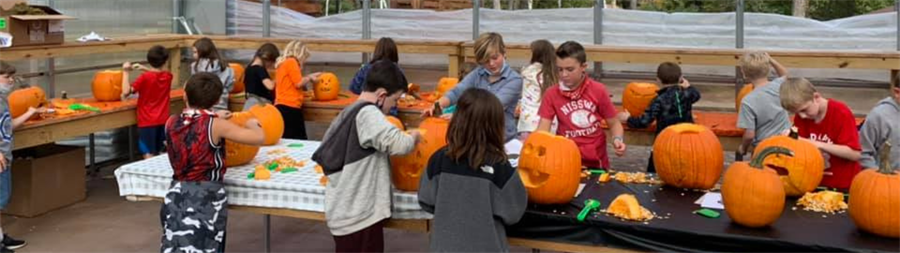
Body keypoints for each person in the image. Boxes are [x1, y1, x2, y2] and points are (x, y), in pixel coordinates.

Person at [311, 60, 421, 253]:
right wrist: (414, 136)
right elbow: (399, 144)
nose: (393, 107)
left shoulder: (349, 111)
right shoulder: (369, 114)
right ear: (381, 95)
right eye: (394, 101)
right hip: (359, 216)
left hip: (346, 212)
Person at [160, 73, 265, 253]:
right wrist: (253, 123)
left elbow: (193, 122)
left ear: (184, 95)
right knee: (208, 246)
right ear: (217, 99)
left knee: (175, 245)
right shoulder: (215, 125)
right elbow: (258, 138)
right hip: (206, 197)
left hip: (176, 193)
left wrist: (215, 115)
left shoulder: (170, 122)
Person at [418, 88, 527, 253]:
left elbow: (426, 199)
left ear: (457, 120)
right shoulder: (500, 167)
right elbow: (513, 212)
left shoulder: (438, 160)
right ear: (495, 126)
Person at [536, 41, 626, 169]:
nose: (564, 75)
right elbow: (543, 128)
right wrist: (537, 148)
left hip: (595, 159)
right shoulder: (551, 94)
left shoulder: (598, 90)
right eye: (559, 69)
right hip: (565, 157)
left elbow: (614, 123)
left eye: (570, 69)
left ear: (583, 67)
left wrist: (618, 139)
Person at [423, 32, 523, 141]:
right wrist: (438, 104)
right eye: (486, 60)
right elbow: (458, 91)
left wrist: (461, 116)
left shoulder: (514, 80)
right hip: (476, 137)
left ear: (504, 52)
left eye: (495, 58)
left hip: (501, 139)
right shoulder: (478, 73)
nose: (491, 64)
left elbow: (494, 107)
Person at [780, 77, 861, 191]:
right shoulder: (802, 117)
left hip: (842, 185)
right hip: (814, 183)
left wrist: (816, 144)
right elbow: (800, 149)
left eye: (804, 110)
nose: (802, 116)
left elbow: (854, 154)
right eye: (796, 112)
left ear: (816, 97)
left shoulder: (841, 113)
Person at [617, 62, 700, 173]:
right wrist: (688, 86)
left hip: (666, 142)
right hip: (686, 141)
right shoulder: (687, 94)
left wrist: (628, 119)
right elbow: (696, 95)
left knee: (655, 170)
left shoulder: (659, 100)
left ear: (658, 80)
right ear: (681, 78)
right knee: (682, 170)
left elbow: (644, 121)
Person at [0, 61, 36, 252]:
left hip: (5, 155)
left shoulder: (3, 99)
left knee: (2, 199)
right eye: (7, 77)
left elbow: (8, 125)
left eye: (12, 77)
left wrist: (29, 113)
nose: (11, 81)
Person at [121, 45, 174, 159]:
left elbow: (126, 92)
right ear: (165, 61)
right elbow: (157, 74)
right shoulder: (168, 76)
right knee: (162, 152)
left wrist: (125, 72)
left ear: (149, 60)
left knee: (148, 152)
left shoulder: (144, 78)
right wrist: (144, 68)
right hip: (163, 120)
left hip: (147, 121)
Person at [736, 52, 790, 157]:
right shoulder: (778, 86)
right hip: (786, 141)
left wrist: (743, 148)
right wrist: (770, 59)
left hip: (764, 148)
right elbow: (785, 74)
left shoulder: (747, 101)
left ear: (744, 74)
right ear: (768, 70)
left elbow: (749, 135)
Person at [275, 40, 321, 140]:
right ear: (300, 54)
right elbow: (298, 83)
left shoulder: (284, 63)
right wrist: (309, 78)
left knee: (286, 139)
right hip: (290, 107)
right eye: (304, 58)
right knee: (299, 140)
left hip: (282, 106)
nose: (304, 61)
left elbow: (292, 84)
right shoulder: (292, 61)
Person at [516, 39, 559, 140]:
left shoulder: (528, 72)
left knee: (528, 151)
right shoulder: (554, 75)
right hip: (550, 123)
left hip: (528, 123)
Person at [858, 71, 900, 169]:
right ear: (897, 93)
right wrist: (880, 176)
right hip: (887, 180)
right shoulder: (879, 117)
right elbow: (863, 153)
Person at [191, 37, 235, 114]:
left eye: (195, 52)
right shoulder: (225, 66)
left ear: (203, 51)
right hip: (221, 102)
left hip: (202, 103)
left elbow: (194, 84)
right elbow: (230, 86)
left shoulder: (196, 66)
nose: (193, 55)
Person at [242, 43, 280, 110]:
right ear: (267, 59)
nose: (272, 65)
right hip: (259, 103)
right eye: (272, 62)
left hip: (249, 102)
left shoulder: (248, 68)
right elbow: (270, 86)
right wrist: (278, 79)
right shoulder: (260, 69)